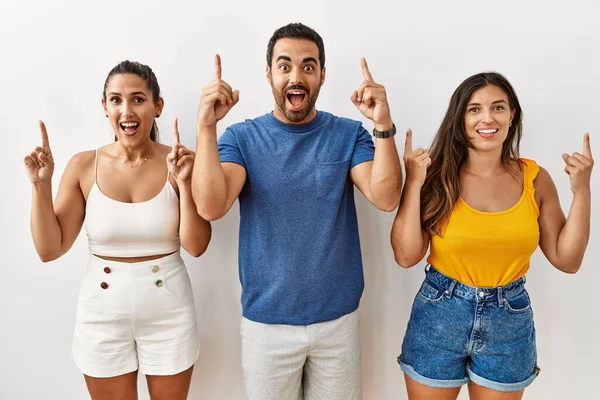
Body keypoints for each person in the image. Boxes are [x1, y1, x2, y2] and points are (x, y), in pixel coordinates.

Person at [192, 23, 401, 399]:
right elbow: (210, 206)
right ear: (269, 73)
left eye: (308, 66)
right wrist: (207, 128)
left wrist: (382, 124)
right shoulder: (241, 138)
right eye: (284, 65)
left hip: (337, 323)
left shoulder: (348, 134)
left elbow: (385, 197)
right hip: (266, 327)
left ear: (322, 75)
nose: (296, 75)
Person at [391, 71, 593, 399]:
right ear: (460, 118)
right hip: (440, 314)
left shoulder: (535, 178)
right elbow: (406, 255)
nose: (487, 118)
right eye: (474, 109)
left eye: (498, 107)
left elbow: (567, 260)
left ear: (512, 115)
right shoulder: (437, 176)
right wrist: (414, 182)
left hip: (508, 320)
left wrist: (582, 191)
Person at [24, 60, 211, 400]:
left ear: (157, 106)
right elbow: (49, 249)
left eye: (138, 99)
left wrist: (184, 184)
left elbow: (197, 246)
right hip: (102, 311)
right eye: (116, 100)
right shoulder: (83, 165)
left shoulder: (181, 162)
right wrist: (40, 186)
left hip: (168, 309)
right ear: (104, 106)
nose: (127, 110)